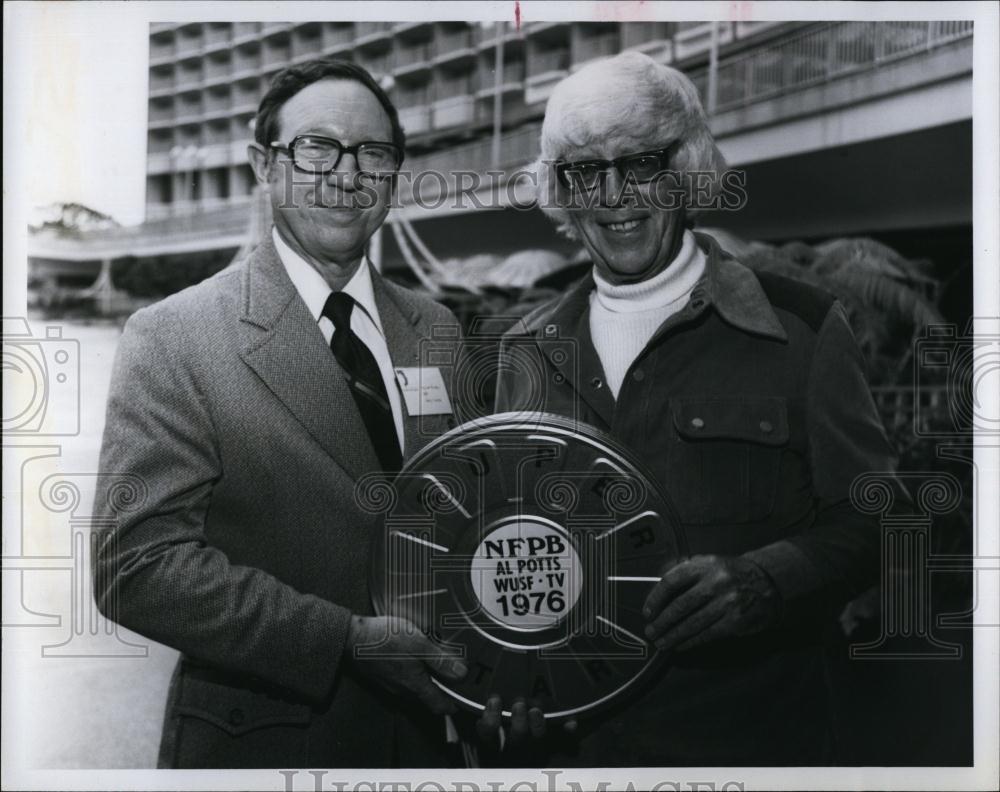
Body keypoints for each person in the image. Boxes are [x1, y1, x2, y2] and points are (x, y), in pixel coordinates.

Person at [493, 51, 906, 765]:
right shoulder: (525, 350)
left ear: (684, 170)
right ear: (563, 191)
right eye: (586, 170)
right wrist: (513, 674)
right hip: (578, 752)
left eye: (640, 163)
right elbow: (511, 547)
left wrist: (767, 579)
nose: (615, 194)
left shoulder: (800, 328)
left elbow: (882, 517)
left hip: (750, 746)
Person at [92, 59, 468, 768]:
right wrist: (343, 641)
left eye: (373, 153)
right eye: (317, 147)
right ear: (265, 165)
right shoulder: (174, 336)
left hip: (428, 743)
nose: (346, 174)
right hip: (264, 746)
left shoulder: (438, 329)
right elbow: (135, 567)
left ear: (394, 174)